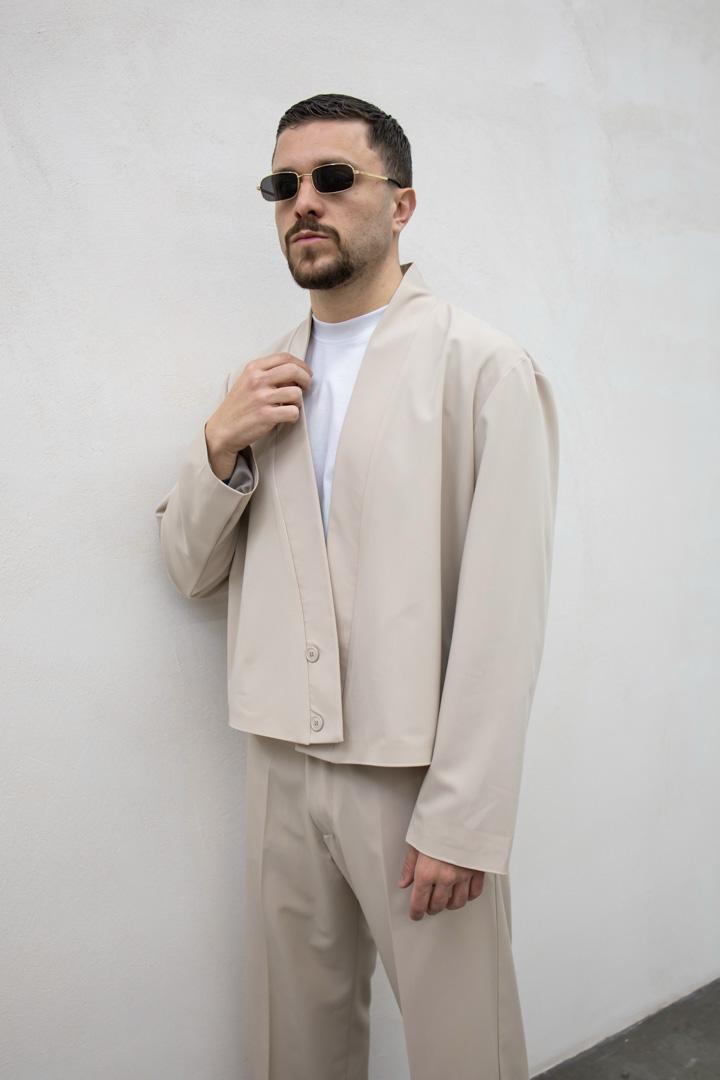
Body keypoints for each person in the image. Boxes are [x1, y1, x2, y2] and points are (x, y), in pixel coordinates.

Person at [154, 92, 559, 1080]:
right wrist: (219, 443)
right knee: (293, 1046)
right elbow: (191, 568)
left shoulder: (481, 368)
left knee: (466, 1048)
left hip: (414, 777)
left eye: (334, 178)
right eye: (283, 184)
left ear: (401, 204)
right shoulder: (261, 381)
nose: (305, 202)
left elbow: (505, 612)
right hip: (279, 766)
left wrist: (463, 819)